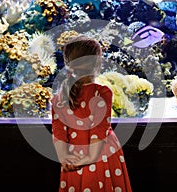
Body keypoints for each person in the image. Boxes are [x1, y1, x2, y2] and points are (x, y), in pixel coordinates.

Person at [51, 35, 132, 192]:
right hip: (101, 155)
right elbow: (99, 130)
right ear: (98, 64)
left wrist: (63, 158)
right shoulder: (102, 93)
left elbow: (58, 131)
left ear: (68, 63)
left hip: (73, 156)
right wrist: (90, 158)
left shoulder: (58, 98)